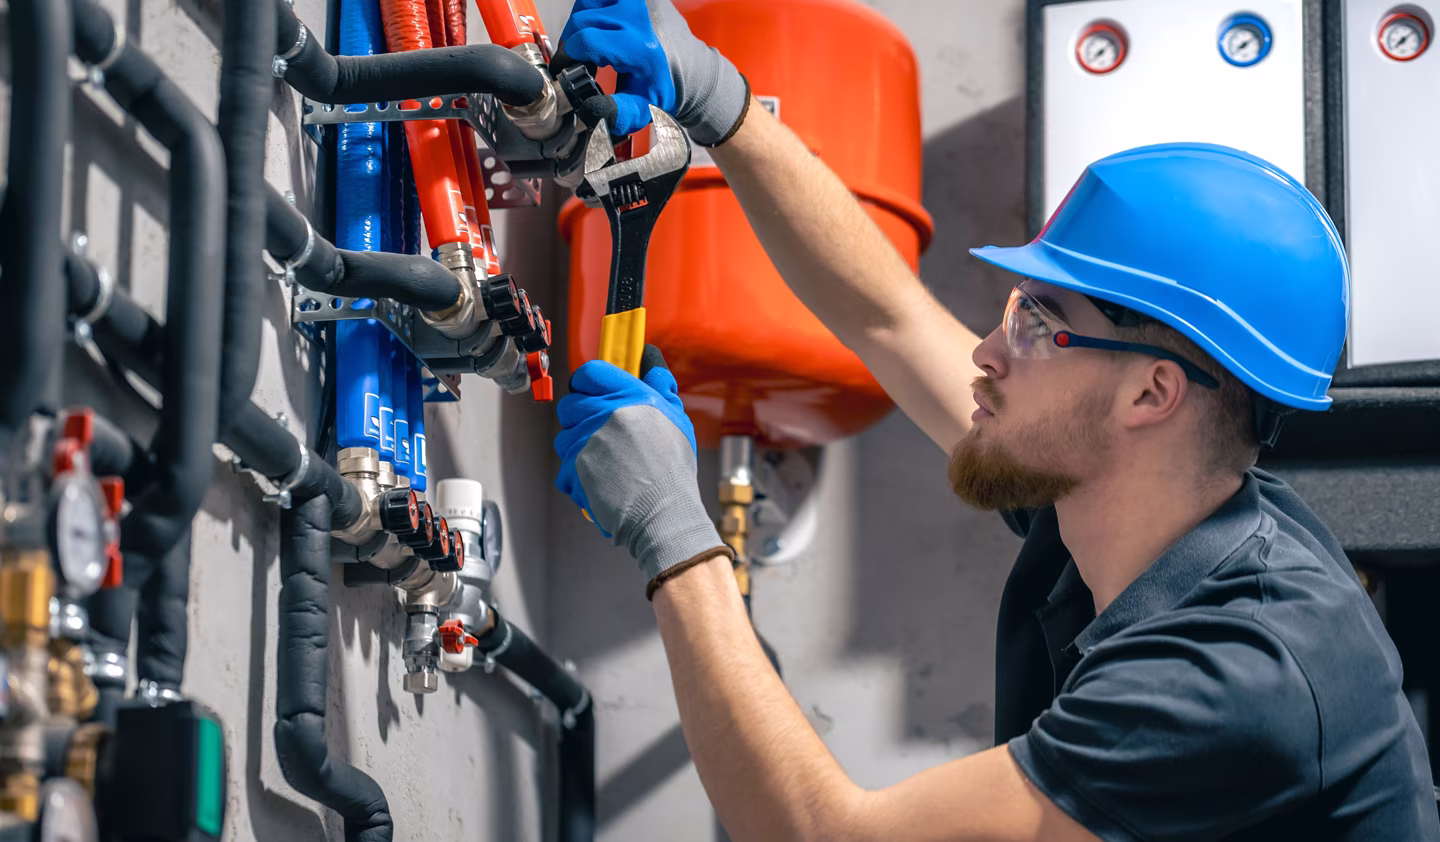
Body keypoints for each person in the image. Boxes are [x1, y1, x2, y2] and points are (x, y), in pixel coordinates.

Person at [551, 1, 1440, 839]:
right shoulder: (1138, 501)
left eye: (1038, 325)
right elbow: (888, 315)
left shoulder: (1240, 675)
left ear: (1151, 395)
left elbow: (823, 833)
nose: (987, 350)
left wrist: (670, 530)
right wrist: (716, 97)